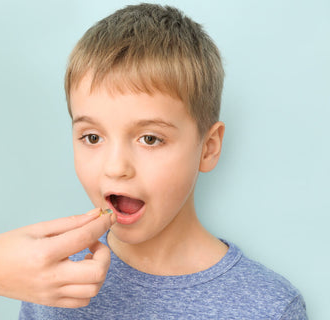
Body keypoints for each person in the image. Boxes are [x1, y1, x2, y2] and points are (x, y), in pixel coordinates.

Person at [19, 3, 307, 319]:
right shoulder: (50, 284)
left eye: (150, 139)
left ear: (208, 148)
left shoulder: (270, 307)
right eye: (92, 137)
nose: (115, 168)